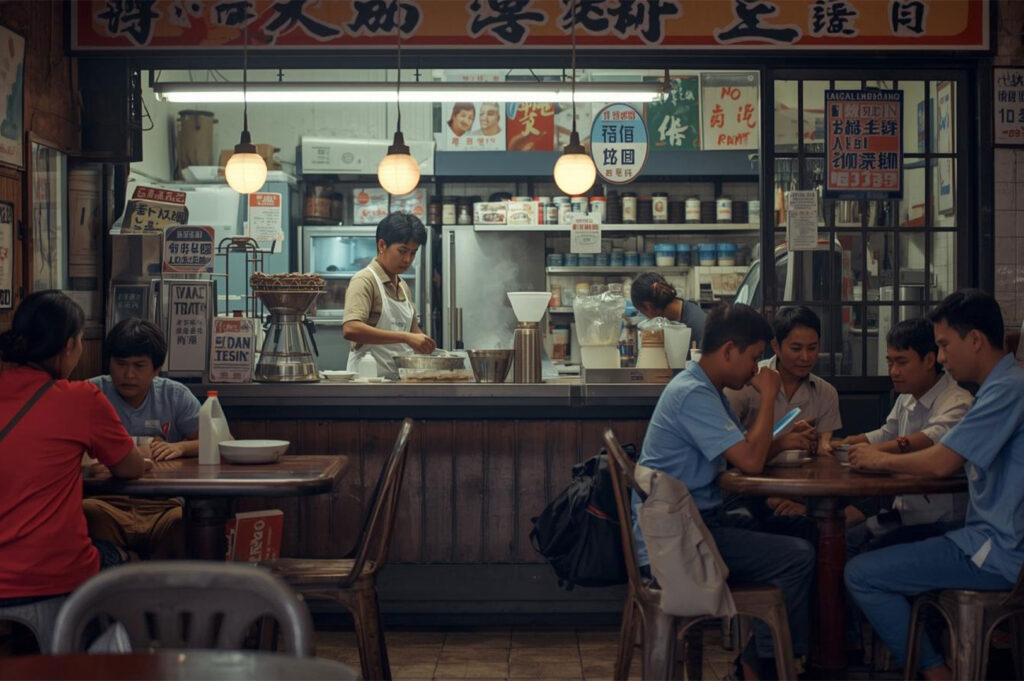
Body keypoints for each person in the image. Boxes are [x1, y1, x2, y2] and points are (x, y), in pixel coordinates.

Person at [845, 290, 1024, 681]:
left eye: (944, 345)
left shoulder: (1006, 389)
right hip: (985, 537)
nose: (941, 357)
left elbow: (943, 461)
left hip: (998, 551)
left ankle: (935, 672)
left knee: (861, 573)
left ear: (974, 339)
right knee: (877, 543)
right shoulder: (1003, 385)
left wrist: (880, 459)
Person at [632, 302, 814, 680]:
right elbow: (748, 460)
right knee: (798, 557)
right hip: (680, 541)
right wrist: (768, 395)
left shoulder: (703, 388)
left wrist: (777, 443)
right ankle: (760, 665)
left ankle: (765, 660)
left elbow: (740, 452)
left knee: (799, 534)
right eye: (753, 358)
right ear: (729, 350)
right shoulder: (693, 394)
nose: (756, 369)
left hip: (692, 527)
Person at [0, 291, 147, 614]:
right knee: (131, 563)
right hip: (50, 575)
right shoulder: (81, 398)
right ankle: (119, 660)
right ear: (69, 346)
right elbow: (130, 468)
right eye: (80, 340)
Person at [834, 317, 972, 550]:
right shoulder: (907, 396)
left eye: (901, 362)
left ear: (929, 360)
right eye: (890, 362)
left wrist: (874, 453)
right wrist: (850, 442)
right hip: (903, 513)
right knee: (845, 539)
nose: (893, 371)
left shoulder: (957, 401)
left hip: (942, 521)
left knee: (862, 550)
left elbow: (932, 437)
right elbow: (888, 432)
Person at [83, 318, 202, 560]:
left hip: (164, 506)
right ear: (109, 363)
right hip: (106, 504)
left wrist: (181, 447)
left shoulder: (175, 395)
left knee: (185, 521)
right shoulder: (91, 394)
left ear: (156, 369)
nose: (128, 374)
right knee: (86, 512)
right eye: (120, 363)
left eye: (139, 365)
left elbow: (221, 441)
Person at [727, 306, 842, 458]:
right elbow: (728, 451)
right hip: (751, 477)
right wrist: (781, 443)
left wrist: (820, 445)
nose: (805, 357)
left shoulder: (826, 393)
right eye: (796, 348)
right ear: (776, 346)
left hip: (804, 478)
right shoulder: (746, 382)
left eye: (812, 348)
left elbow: (823, 447)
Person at [343, 212, 435, 379]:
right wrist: (405, 337)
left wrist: (427, 346)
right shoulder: (364, 280)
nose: (407, 260)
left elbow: (413, 331)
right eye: (402, 251)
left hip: (399, 381)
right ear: (382, 245)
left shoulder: (402, 286)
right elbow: (351, 329)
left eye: (413, 253)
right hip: (368, 384)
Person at [630, 272, 707, 349]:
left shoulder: (698, 327)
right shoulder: (672, 319)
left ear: (649, 307)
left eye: (643, 312)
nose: (647, 318)